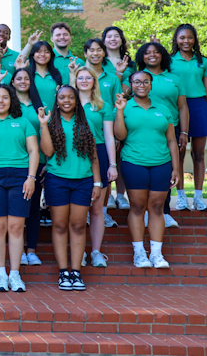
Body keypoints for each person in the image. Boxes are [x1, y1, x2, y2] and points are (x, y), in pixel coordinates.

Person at [0, 84, 39, 293]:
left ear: (12, 100)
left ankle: (15, 274)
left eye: (5, 97)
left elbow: (33, 150)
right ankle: (1, 274)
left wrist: (31, 177)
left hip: (21, 176)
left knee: (16, 227)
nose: (0, 101)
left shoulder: (23, 122)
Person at [114, 71, 181, 269]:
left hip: (161, 163)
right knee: (137, 206)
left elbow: (171, 140)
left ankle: (157, 254)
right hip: (134, 162)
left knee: (157, 207)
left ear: (151, 85)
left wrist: (176, 168)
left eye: (145, 81)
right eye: (136, 82)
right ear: (131, 85)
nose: (141, 85)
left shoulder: (163, 108)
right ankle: (139, 253)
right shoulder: (124, 107)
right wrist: (119, 111)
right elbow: (120, 136)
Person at [39, 85, 101, 291]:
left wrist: (97, 182)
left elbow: (93, 156)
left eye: (71, 97)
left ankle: (76, 272)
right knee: (59, 225)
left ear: (76, 101)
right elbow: (47, 151)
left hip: (83, 181)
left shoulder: (86, 123)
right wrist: (42, 125)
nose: (66, 101)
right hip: (57, 180)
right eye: (62, 97)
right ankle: (63, 271)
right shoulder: (50, 122)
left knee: (78, 225)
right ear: (56, 101)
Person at [136, 42, 188, 229]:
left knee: (165, 171)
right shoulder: (136, 77)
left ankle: (163, 211)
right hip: (140, 130)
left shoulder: (174, 78)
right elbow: (125, 95)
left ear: (163, 56)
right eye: (147, 52)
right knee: (143, 171)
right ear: (141, 56)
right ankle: (146, 212)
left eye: (156, 52)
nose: (152, 55)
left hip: (169, 129)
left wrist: (183, 131)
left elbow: (182, 107)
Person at [170, 24, 207, 211]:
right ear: (176, 40)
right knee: (179, 153)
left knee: (198, 153)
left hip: (199, 107)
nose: (186, 41)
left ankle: (198, 196)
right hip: (178, 107)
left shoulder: (203, 61)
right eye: (182, 38)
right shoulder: (169, 60)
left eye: (190, 37)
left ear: (194, 40)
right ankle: (181, 196)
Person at [75, 67, 119, 267]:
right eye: (80, 78)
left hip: (98, 153)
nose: (84, 81)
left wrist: (112, 164)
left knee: (96, 209)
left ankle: (95, 252)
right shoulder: (68, 101)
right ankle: (79, 252)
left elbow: (109, 137)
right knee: (78, 210)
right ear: (75, 81)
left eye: (88, 78)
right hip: (74, 155)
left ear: (94, 81)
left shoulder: (103, 105)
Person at [9, 68, 47, 267]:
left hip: (36, 162)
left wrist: (47, 162)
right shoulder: (7, 103)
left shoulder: (39, 106)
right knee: (15, 210)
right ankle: (17, 250)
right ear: (12, 82)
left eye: (26, 78)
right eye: (19, 78)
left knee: (32, 208)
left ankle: (31, 250)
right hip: (12, 161)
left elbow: (48, 134)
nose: (23, 81)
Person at [102, 26, 135, 210]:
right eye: (109, 36)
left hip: (124, 112)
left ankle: (120, 195)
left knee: (121, 155)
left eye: (117, 36)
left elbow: (131, 90)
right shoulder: (99, 60)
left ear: (121, 40)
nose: (113, 39)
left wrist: (124, 85)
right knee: (107, 155)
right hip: (104, 114)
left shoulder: (130, 63)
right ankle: (106, 196)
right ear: (104, 40)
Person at [79, 39, 123, 107]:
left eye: (99, 50)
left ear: (104, 53)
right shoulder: (80, 78)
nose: (95, 53)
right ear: (85, 54)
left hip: (108, 117)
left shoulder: (113, 78)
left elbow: (117, 104)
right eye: (91, 50)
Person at [22, 40, 62, 113]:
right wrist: (30, 43)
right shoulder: (27, 75)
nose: (43, 54)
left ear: (51, 55)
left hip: (55, 118)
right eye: (39, 51)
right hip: (33, 117)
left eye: (47, 52)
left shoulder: (58, 73)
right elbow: (19, 61)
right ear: (33, 55)